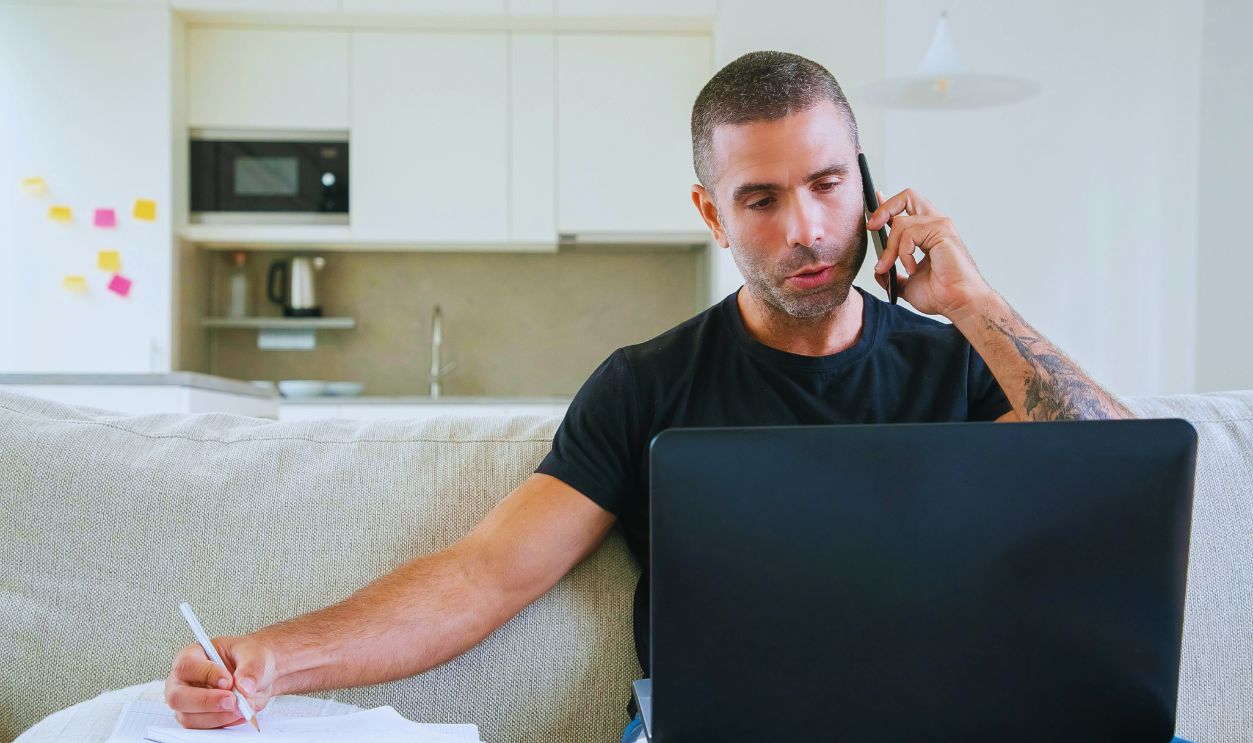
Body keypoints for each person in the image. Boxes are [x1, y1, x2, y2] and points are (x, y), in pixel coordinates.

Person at [164, 51, 1137, 742]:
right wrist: (271, 659)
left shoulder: (958, 363)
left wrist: (971, 299)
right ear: (711, 212)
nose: (803, 228)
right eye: (759, 198)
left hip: (934, 714)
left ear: (870, 191)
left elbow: (1116, 486)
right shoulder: (646, 384)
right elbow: (482, 575)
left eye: (827, 184)